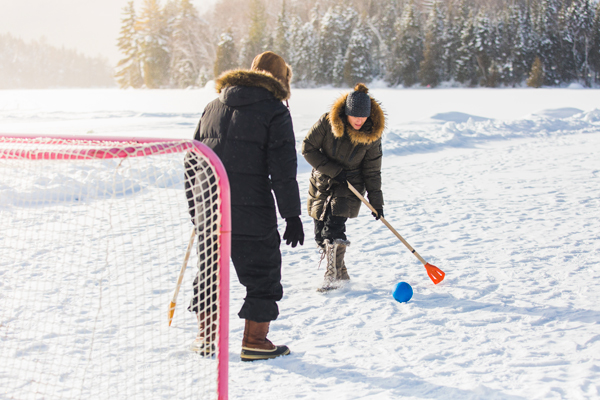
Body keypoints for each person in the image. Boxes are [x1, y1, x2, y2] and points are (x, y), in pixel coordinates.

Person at [185, 51, 304, 361]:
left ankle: (206, 336)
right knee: (263, 273)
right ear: (281, 80)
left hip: (211, 208)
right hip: (253, 210)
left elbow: (192, 159)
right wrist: (291, 215)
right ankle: (255, 341)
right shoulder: (274, 111)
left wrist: (196, 208)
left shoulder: (212, 106)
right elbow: (282, 169)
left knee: (211, 270)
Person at [302, 83, 385, 291]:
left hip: (350, 185)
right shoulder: (327, 122)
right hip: (322, 181)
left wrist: (376, 202)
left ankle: (332, 277)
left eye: (363, 116)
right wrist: (332, 170)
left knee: (334, 228)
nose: (359, 120)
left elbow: (372, 171)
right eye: (354, 115)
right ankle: (342, 273)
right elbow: (307, 148)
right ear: (346, 112)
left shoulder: (372, 134)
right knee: (320, 237)